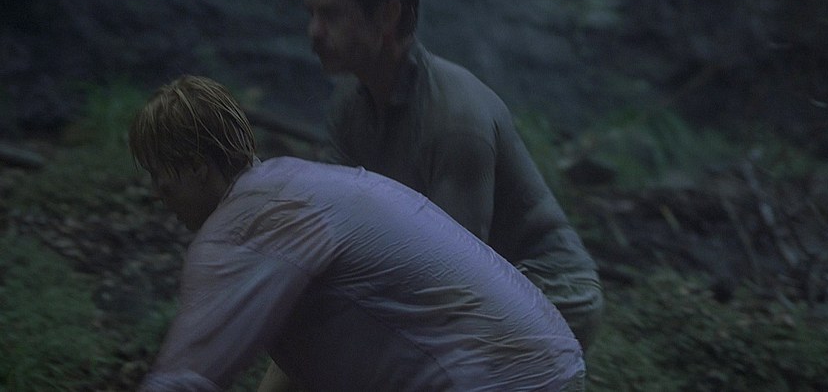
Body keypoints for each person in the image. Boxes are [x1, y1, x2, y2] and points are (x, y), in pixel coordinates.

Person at [131, 75, 586, 391]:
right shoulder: (300, 185)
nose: (157, 193)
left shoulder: (241, 228)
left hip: (503, 380)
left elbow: (186, 377)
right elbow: (306, 359)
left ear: (196, 166)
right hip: (553, 363)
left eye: (159, 174)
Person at [304, 0, 604, 350]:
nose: (314, 32)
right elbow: (335, 232)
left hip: (552, 290)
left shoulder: (456, 118)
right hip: (467, 286)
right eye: (312, 14)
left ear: (388, 15)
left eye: (332, 15)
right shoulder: (349, 107)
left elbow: (451, 280)